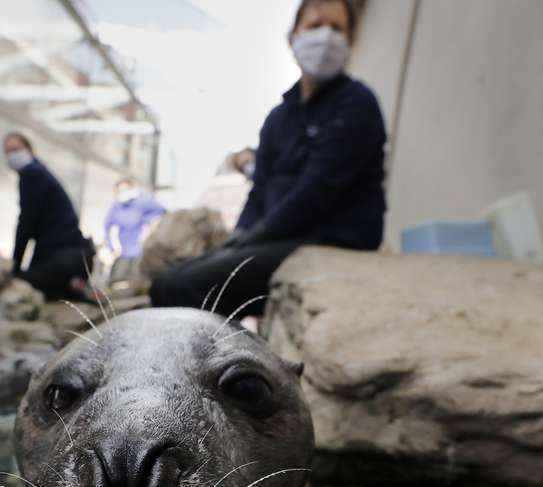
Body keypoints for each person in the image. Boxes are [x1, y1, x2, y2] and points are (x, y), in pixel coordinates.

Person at [151, 0, 386, 316]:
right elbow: (259, 191)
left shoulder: (356, 104)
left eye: (337, 28)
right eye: (315, 26)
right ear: (293, 38)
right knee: (165, 280)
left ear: (351, 41)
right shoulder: (279, 117)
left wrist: (255, 236)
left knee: (191, 285)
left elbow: (315, 193)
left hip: (330, 240)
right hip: (277, 238)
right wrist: (239, 236)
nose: (326, 36)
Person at [3, 132, 94, 300]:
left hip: (65, 258)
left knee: (24, 282)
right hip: (76, 257)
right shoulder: (40, 172)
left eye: (16, 149)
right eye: (7, 152)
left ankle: (72, 285)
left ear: (28, 149)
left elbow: (26, 224)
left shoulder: (31, 174)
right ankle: (73, 285)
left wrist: (15, 267)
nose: (12, 156)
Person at [101, 178, 166, 284]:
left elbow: (162, 214)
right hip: (123, 252)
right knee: (117, 280)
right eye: (119, 191)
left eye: (125, 190)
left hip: (142, 251)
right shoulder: (117, 205)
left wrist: (147, 223)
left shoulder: (145, 201)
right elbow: (107, 224)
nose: (123, 193)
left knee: (140, 281)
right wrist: (111, 246)